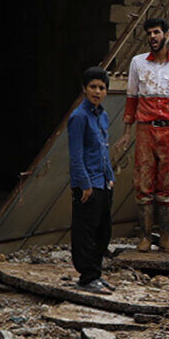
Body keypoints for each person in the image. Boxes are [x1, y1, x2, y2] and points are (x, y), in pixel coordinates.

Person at [120, 18, 169, 253]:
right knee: (143, 182)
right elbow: (131, 98)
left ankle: (165, 238)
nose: (153, 36)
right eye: (149, 33)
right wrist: (126, 133)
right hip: (144, 129)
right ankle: (144, 236)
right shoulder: (137, 63)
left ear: (166, 35)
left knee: (167, 184)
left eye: (157, 32)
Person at [69, 67, 117, 293]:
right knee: (85, 232)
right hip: (88, 185)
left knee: (103, 231)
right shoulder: (79, 117)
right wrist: (84, 184)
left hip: (104, 182)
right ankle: (87, 277)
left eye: (102, 88)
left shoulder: (103, 115)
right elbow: (76, 154)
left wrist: (110, 177)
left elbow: (103, 149)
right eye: (93, 87)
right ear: (84, 89)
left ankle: (96, 273)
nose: (97, 92)